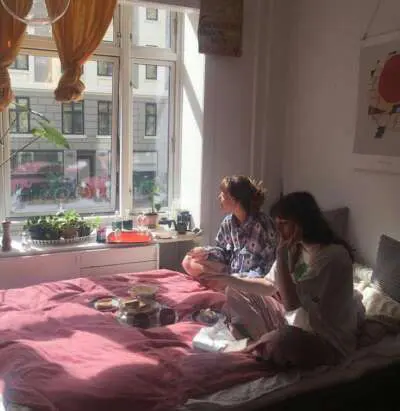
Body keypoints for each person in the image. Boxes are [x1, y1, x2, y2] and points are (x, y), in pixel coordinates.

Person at [198, 192, 365, 369]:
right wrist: (227, 279)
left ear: (302, 222)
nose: (278, 230)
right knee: (235, 288)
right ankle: (266, 342)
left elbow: (291, 303)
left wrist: (281, 254)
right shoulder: (296, 247)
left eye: (283, 224)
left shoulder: (333, 256)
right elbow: (269, 285)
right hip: (294, 321)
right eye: (276, 223)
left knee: (284, 340)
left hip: (325, 339)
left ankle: (260, 344)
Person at [182, 176, 276, 289]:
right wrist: (205, 251)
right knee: (189, 260)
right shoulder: (227, 222)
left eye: (223, 194)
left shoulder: (263, 224)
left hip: (251, 281)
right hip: (230, 273)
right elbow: (223, 253)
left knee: (231, 284)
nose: (219, 197)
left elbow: (269, 267)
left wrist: (236, 279)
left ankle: (222, 284)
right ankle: (221, 284)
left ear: (235, 200)